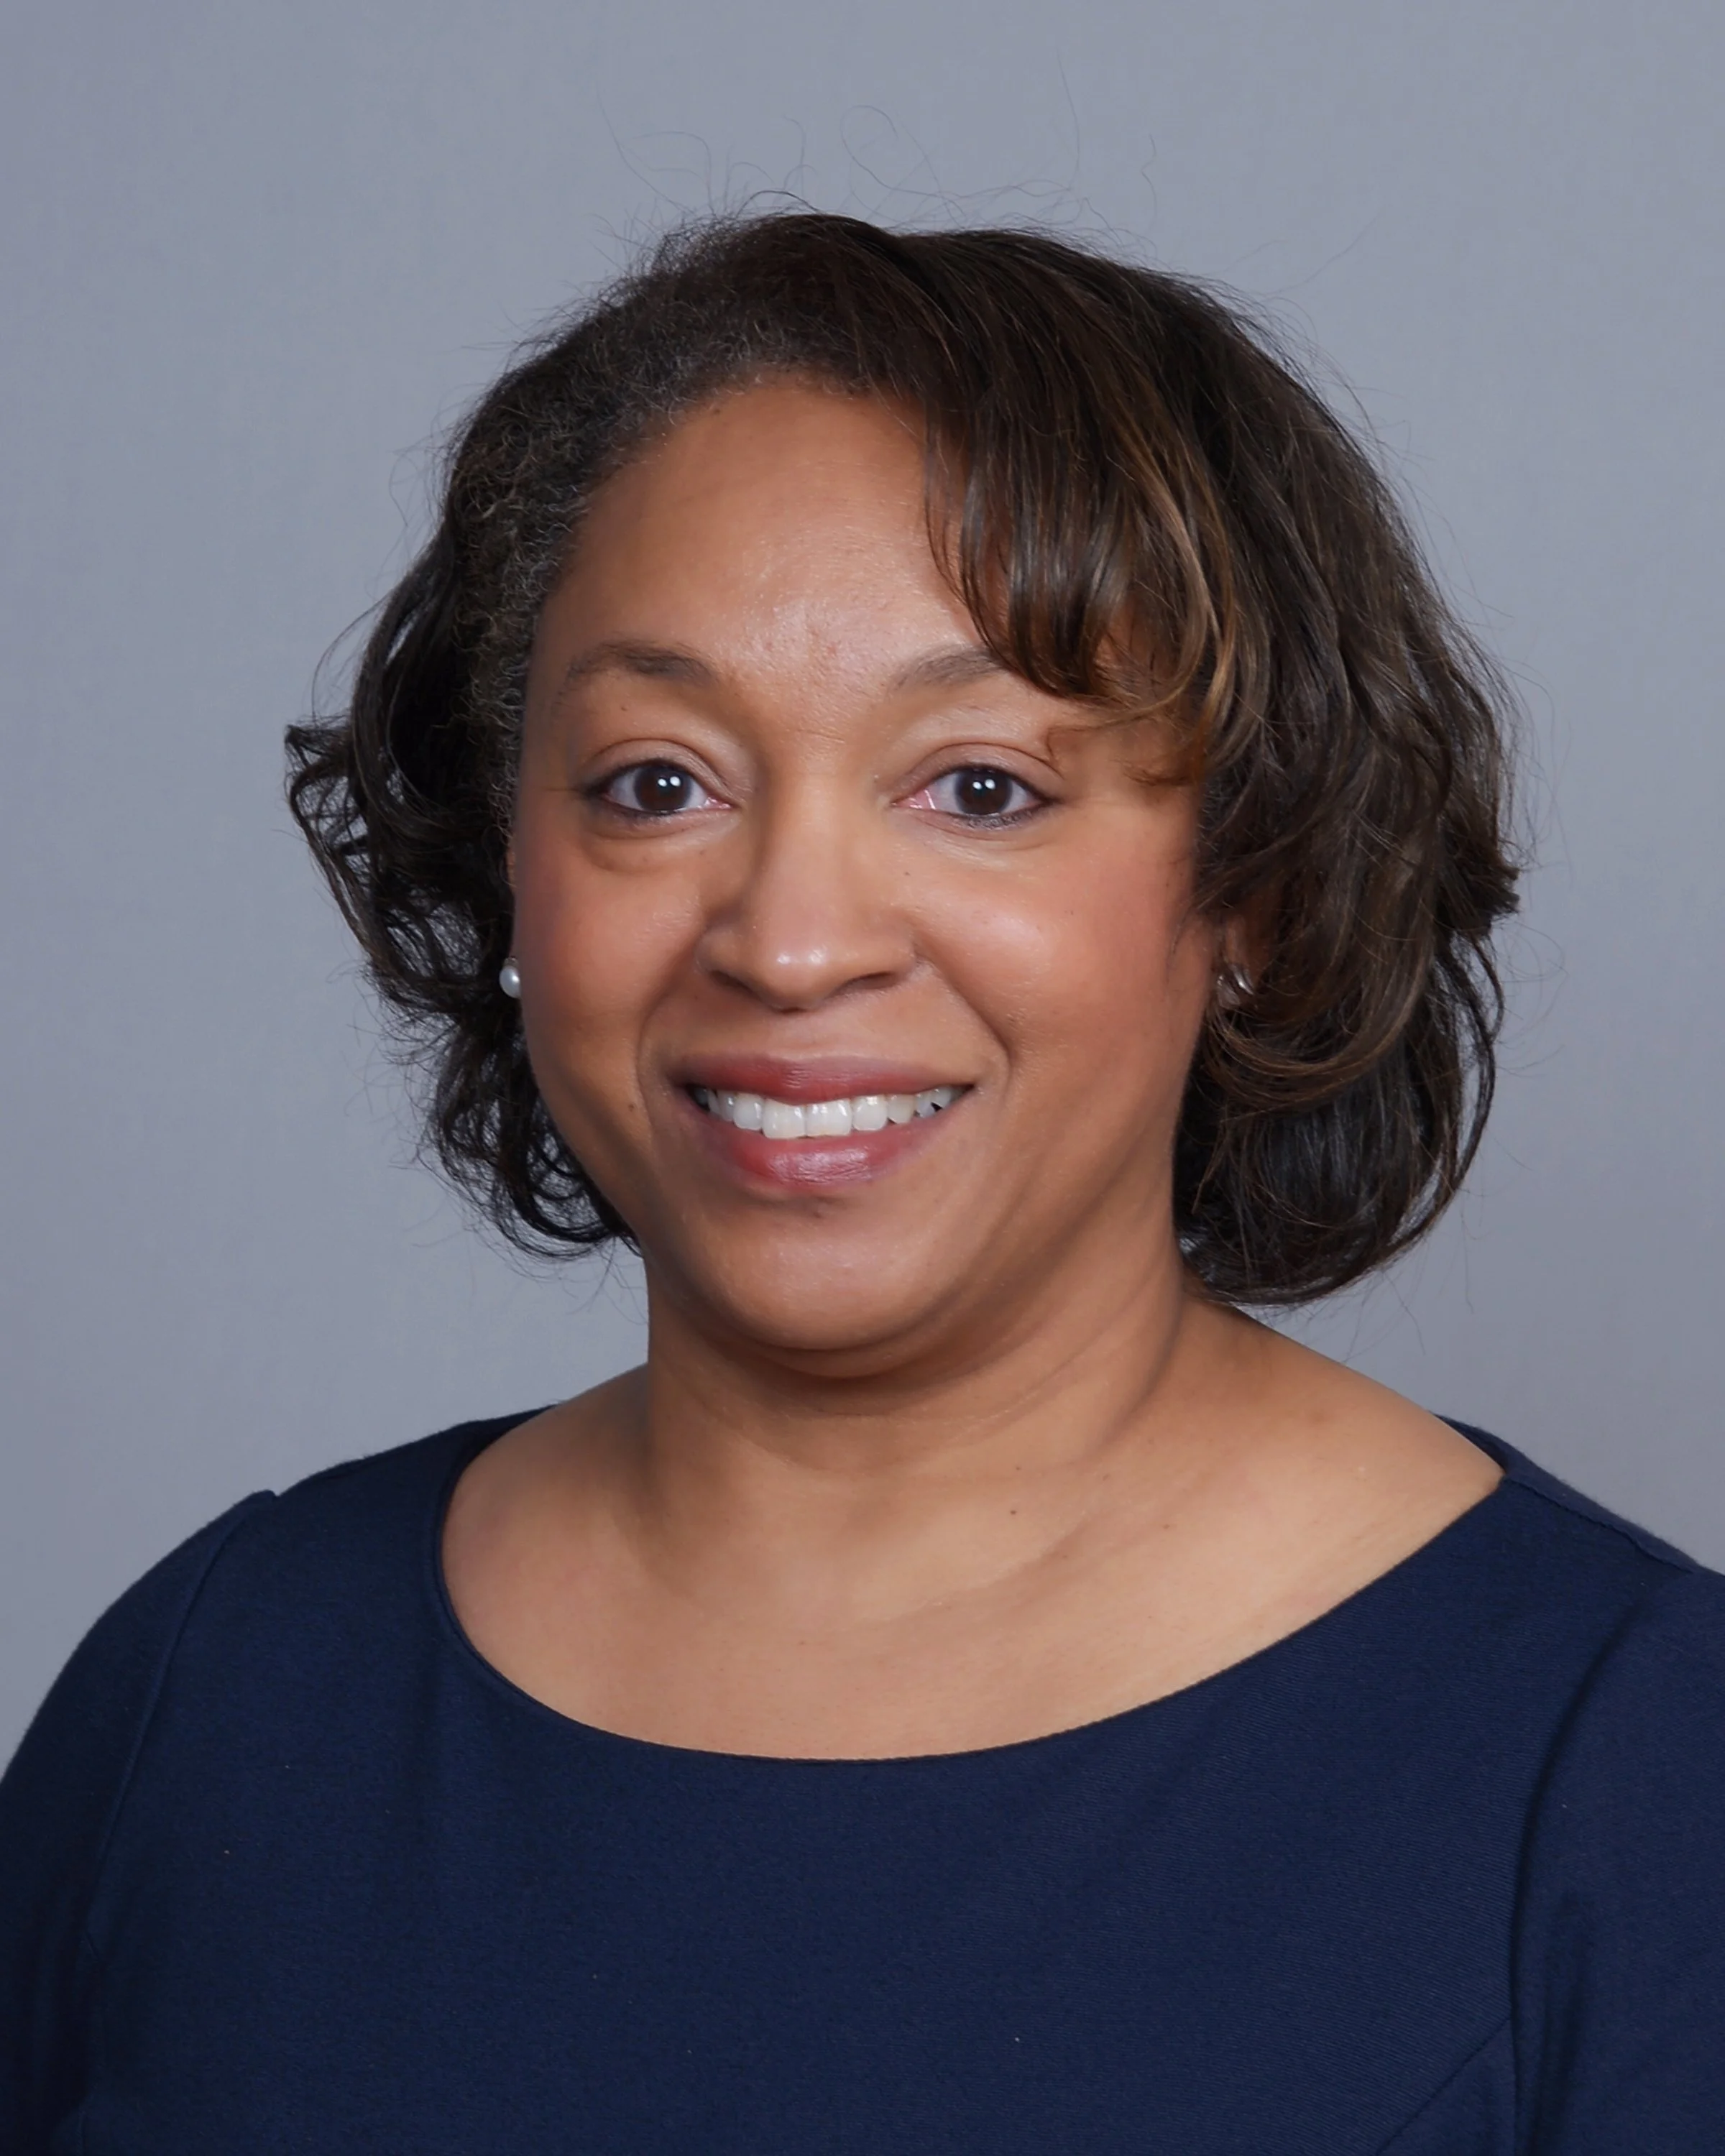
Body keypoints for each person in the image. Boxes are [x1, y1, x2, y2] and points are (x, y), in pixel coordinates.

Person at [2, 211, 1721, 2152]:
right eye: (658, 781)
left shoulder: (1633, 1782)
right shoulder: (221, 1695)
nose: (794, 942)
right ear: (509, 871)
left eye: (980, 785)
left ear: (1255, 882)